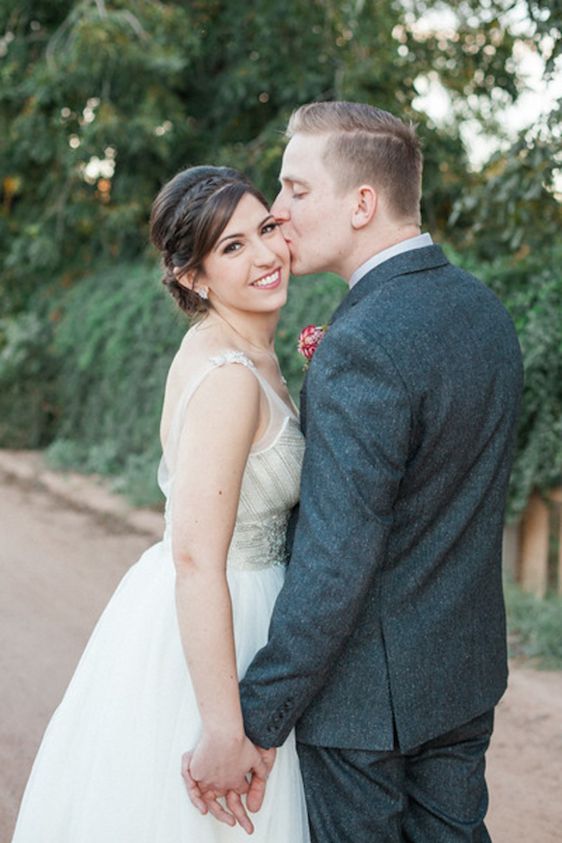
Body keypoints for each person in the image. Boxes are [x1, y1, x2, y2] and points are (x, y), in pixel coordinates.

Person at [185, 102, 524, 841]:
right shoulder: (484, 311)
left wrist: (258, 719)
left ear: (363, 202)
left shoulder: (360, 344)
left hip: (367, 709)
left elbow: (337, 560)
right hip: (462, 678)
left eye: (296, 190)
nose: (277, 213)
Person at [11, 165, 310, 842]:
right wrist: (224, 728)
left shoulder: (249, 352)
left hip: (251, 603)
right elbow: (197, 556)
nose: (265, 253)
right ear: (192, 279)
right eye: (231, 247)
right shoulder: (229, 378)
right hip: (225, 621)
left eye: (265, 228)